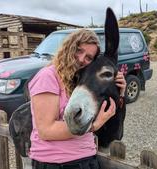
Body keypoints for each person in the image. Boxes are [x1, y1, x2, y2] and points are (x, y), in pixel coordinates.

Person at [28, 29, 126, 169]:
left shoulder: (77, 80)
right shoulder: (48, 76)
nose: (81, 59)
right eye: (79, 51)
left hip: (86, 159)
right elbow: (45, 130)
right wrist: (94, 126)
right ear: (69, 47)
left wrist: (119, 90)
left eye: (88, 57)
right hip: (56, 163)